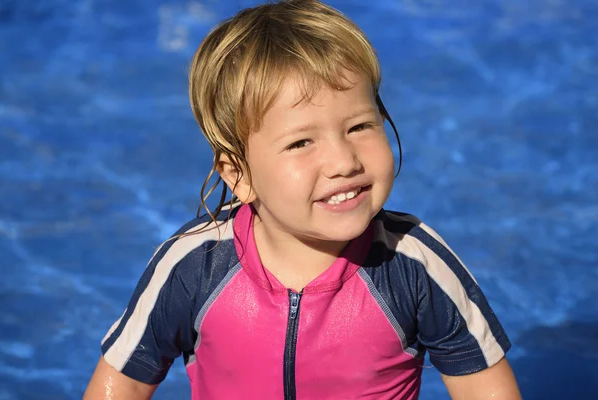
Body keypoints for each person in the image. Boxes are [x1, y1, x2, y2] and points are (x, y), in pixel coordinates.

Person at [83, 1, 521, 399]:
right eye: (300, 143)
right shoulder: (194, 266)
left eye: (359, 127)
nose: (342, 161)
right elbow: (122, 382)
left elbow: (487, 389)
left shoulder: (414, 265)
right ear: (239, 175)